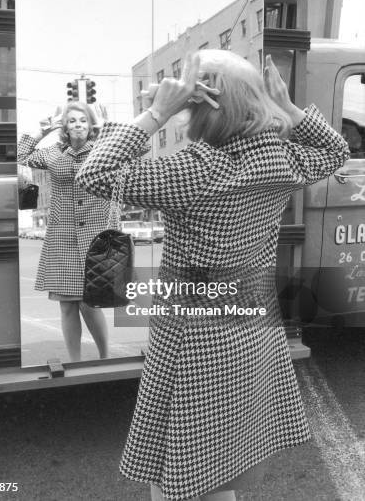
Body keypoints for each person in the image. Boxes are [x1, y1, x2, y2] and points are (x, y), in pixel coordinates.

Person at [75, 51, 350, 501]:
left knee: (173, 471)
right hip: (252, 329)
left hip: (191, 336)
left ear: (201, 104)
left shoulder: (193, 169)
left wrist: (156, 113)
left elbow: (96, 171)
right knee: (220, 460)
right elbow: (336, 149)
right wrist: (290, 109)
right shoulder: (279, 159)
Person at [18, 101, 110, 361]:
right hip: (62, 238)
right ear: (65, 127)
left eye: (83, 120)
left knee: (88, 304)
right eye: (72, 120)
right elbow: (18, 155)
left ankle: (105, 357)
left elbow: (140, 147)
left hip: (96, 238)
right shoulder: (54, 154)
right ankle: (75, 363)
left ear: (91, 125)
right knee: (67, 305)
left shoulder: (105, 150)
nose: (78, 124)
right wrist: (43, 131)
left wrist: (106, 128)